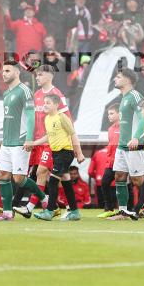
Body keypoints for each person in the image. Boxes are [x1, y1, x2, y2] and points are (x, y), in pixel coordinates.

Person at [109, 68, 144, 220]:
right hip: (122, 146)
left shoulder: (134, 96)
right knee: (119, 176)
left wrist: (137, 138)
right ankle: (123, 212)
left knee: (138, 180)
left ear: (128, 80)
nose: (115, 79)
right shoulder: (124, 97)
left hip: (134, 146)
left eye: (118, 77)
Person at [12, 64, 65, 219]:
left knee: (42, 172)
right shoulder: (36, 95)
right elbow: (32, 118)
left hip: (52, 141)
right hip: (37, 141)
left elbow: (66, 118)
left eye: (40, 75)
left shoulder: (57, 94)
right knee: (38, 174)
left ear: (49, 76)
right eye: (37, 75)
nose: (37, 77)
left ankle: (36, 206)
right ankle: (44, 206)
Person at [0, 61, 35, 221]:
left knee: (18, 179)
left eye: (7, 70)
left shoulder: (25, 91)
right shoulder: (6, 93)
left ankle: (44, 198)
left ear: (17, 72)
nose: (4, 73)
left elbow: (31, 116)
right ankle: (7, 212)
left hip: (20, 141)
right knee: (3, 176)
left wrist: (29, 138)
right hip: (6, 141)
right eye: (3, 71)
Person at [30, 93, 85, 221]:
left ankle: (49, 211)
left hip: (65, 152)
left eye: (48, 103)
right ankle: (75, 212)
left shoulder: (62, 117)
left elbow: (73, 134)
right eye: (44, 103)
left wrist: (80, 152)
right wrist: (34, 143)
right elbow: (49, 137)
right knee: (66, 182)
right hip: (56, 154)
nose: (45, 105)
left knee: (54, 181)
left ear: (56, 105)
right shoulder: (47, 119)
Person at [96, 103, 120, 218]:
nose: (109, 116)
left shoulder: (126, 127)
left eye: (111, 113)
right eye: (108, 114)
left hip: (122, 161)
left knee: (127, 184)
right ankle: (109, 209)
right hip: (111, 162)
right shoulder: (110, 129)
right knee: (105, 182)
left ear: (119, 114)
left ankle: (131, 209)